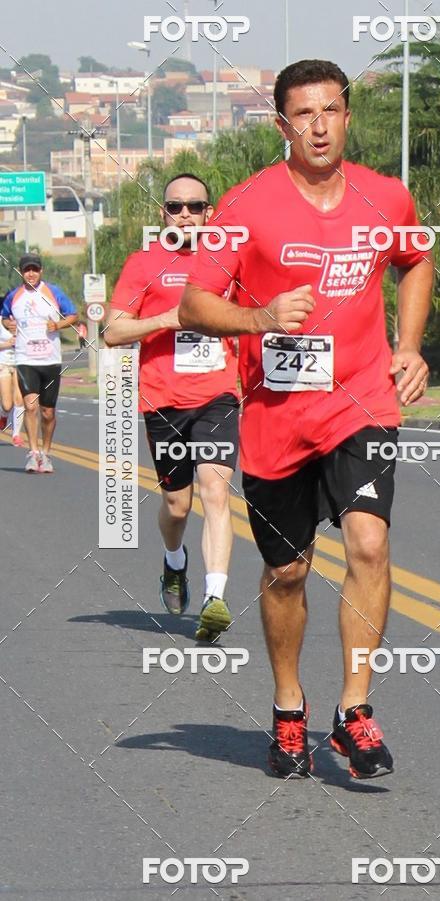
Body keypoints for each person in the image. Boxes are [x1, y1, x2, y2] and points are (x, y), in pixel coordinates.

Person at [180, 59, 433, 780]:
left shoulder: (386, 196)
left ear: (348, 116)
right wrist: (258, 315)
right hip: (276, 415)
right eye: (304, 115)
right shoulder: (247, 205)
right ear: (282, 125)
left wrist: (409, 344)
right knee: (287, 570)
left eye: (332, 110)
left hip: (360, 400)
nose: (319, 126)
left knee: (369, 544)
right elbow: (196, 303)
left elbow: (416, 262)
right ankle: (289, 704)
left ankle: (354, 708)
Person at [105, 173, 240, 642]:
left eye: (196, 206)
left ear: (211, 212)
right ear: (162, 214)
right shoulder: (144, 264)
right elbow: (113, 332)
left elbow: (255, 317)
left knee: (215, 491)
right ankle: (174, 561)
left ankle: (215, 596)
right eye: (176, 207)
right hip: (162, 399)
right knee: (178, 507)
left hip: (218, 394)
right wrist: (169, 317)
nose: (186, 214)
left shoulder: (230, 261)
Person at [1, 253, 78, 472]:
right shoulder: (13, 296)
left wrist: (59, 326)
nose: (31, 273)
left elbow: (73, 315)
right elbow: (5, 317)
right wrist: (9, 325)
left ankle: (46, 453)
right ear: (21, 272)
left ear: (41, 271)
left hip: (50, 360)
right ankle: (33, 453)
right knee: (30, 406)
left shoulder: (53, 292)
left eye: (35, 269)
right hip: (25, 359)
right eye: (27, 270)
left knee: (48, 412)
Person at [0, 317, 25, 445]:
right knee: (7, 405)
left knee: (19, 399)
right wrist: (7, 344)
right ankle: (3, 415)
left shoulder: (23, 319)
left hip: (20, 364)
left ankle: (16, 434)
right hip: (3, 364)